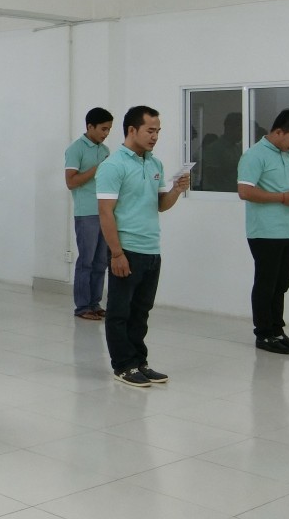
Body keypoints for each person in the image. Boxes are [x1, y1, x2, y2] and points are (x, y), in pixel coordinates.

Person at [97, 105, 190, 387]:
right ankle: (123, 365)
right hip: (126, 249)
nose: (155, 136)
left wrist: (176, 190)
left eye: (158, 131)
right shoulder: (113, 165)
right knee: (119, 312)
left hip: (151, 249)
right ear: (132, 130)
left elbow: (160, 205)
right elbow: (105, 212)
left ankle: (139, 361)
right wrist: (116, 253)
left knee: (141, 311)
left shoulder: (155, 164)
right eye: (150, 130)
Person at [236, 109, 289, 354]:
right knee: (266, 284)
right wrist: (282, 197)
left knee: (281, 285)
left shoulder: (286, 155)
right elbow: (245, 192)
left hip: (287, 231)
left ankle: (277, 331)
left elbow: (285, 186)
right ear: (279, 131)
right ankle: (263, 334)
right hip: (264, 232)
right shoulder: (254, 155)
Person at [64, 107, 113, 321]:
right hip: (86, 213)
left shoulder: (105, 150)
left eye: (109, 129)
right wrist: (97, 169)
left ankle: (95, 303)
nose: (106, 133)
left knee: (101, 261)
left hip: (105, 211)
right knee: (86, 261)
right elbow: (71, 182)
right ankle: (82, 307)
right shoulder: (75, 149)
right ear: (90, 126)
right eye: (103, 129)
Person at [201, 112, 242, 192]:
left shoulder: (238, 149)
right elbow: (212, 176)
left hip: (236, 193)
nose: (242, 134)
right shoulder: (214, 149)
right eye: (240, 130)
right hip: (220, 194)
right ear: (229, 128)